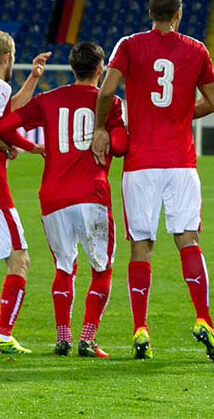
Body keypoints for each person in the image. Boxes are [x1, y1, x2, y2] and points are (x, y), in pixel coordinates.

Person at [90, 0, 214, 361]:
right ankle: (204, 319)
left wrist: (102, 128)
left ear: (150, 12)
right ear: (179, 14)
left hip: (141, 162)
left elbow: (105, 92)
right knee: (188, 239)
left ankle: (140, 328)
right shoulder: (197, 50)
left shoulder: (130, 45)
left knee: (141, 245)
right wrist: (180, 113)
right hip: (181, 162)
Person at [0, 42, 127, 357]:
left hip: (53, 197)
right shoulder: (110, 102)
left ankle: (63, 337)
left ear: (72, 68)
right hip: (92, 194)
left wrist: (30, 147)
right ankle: (87, 338)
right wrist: (109, 136)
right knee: (102, 269)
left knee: (64, 266)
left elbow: (4, 125)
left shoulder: (49, 99)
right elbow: (122, 146)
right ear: (101, 70)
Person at [0, 32, 50, 355]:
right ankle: (3, 333)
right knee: (20, 256)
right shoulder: (0, 85)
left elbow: (10, 109)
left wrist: (32, 78)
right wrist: (31, 146)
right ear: (7, 58)